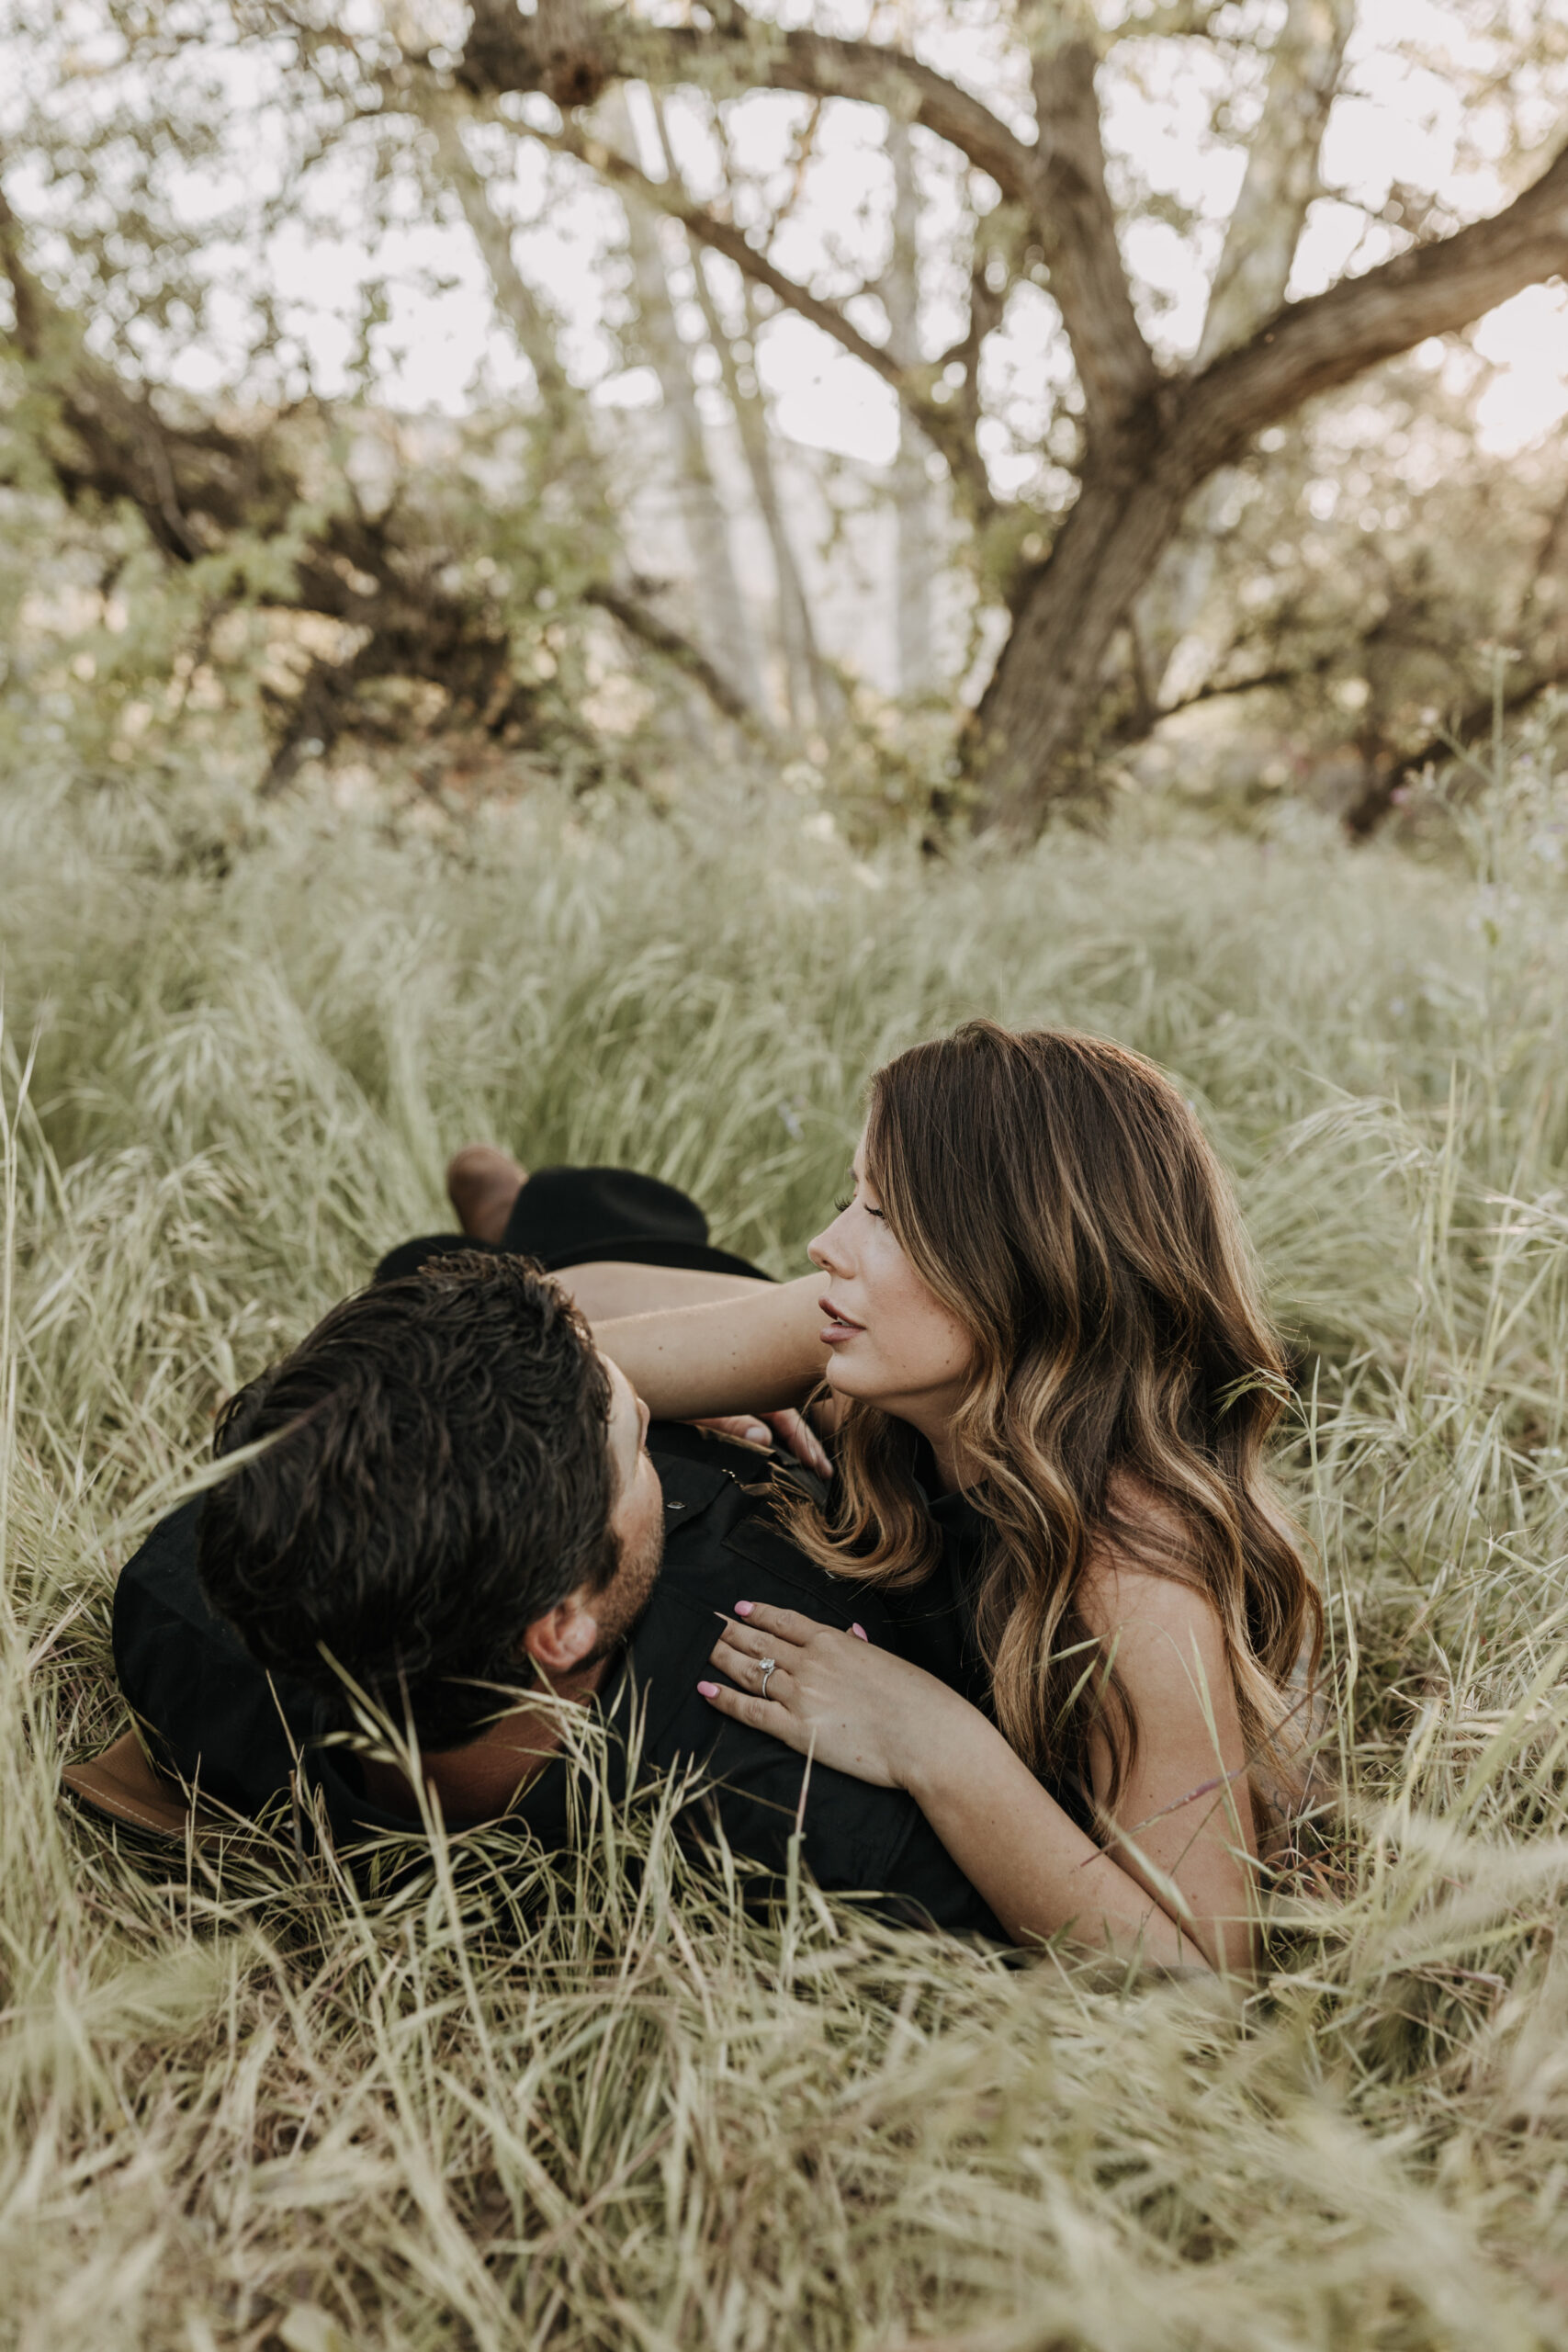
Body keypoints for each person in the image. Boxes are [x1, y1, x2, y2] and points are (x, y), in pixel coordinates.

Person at [570, 1023, 1324, 1977]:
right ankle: (520, 1202)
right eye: (852, 1198)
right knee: (554, 1256)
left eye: (882, 1216)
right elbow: (549, 1349)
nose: (828, 1241)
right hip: (629, 1286)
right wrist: (629, 1424)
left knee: (614, 1251)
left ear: (1026, 1270)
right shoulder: (863, 1334)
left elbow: (1205, 1984)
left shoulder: (1134, 1566)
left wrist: (932, 1739)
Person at [96, 1179, 1003, 1939]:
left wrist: (601, 1373)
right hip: (863, 1450)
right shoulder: (805, 1826)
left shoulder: (180, 1611)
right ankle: (537, 1211)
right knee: (612, 1253)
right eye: (632, 1446)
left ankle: (523, 1223)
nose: (649, 1411)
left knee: (471, 1279)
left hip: (550, 1412)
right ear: (562, 1625)